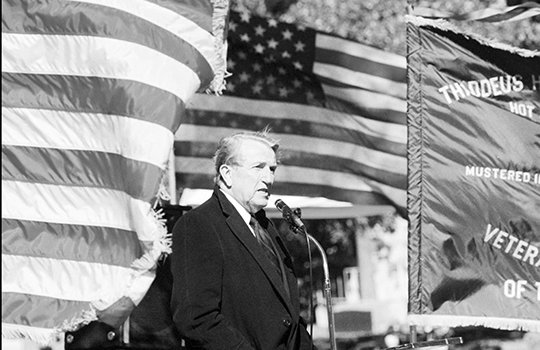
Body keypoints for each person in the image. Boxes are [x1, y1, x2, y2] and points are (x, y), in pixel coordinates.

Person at [170, 130, 313, 349]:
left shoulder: (266, 227)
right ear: (227, 173)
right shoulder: (199, 224)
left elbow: (289, 316)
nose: (269, 178)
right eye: (258, 167)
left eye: (272, 169)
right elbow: (195, 318)